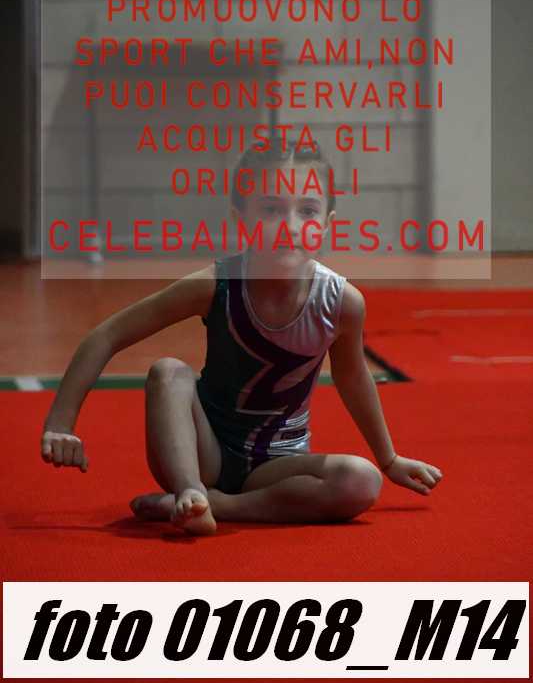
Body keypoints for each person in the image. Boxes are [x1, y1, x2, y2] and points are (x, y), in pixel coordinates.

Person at [41, 139, 443, 536]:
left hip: (278, 465)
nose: (289, 226)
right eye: (271, 209)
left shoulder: (342, 303)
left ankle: (212, 505)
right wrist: (61, 423)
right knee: (167, 372)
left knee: (362, 480)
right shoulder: (215, 285)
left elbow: (352, 377)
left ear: (327, 224)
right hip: (202, 453)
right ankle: (190, 490)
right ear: (241, 219)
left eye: (307, 210)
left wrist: (388, 459)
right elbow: (107, 335)